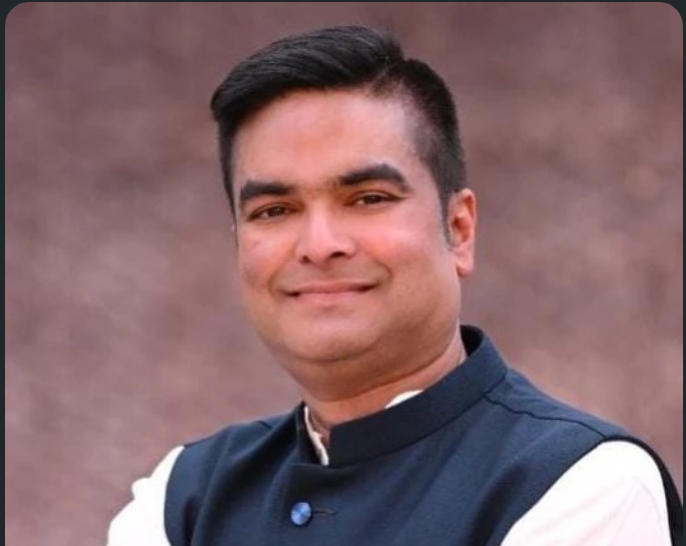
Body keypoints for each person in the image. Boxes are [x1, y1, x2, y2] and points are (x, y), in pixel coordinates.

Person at [106, 25, 682, 546]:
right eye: (275, 210)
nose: (319, 244)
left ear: (459, 229)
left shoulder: (580, 484)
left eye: (368, 199)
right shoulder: (182, 498)